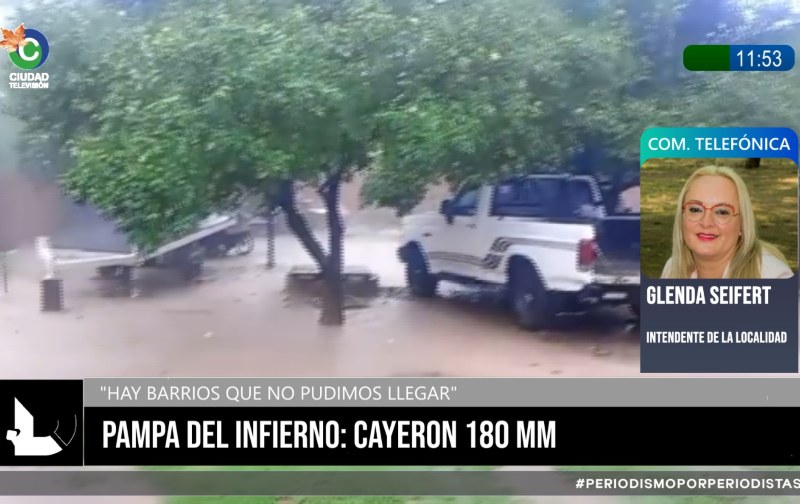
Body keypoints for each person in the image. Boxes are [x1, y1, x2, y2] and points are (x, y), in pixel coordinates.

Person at [660, 165, 793, 279]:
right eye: (695, 209)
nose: (706, 223)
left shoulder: (773, 277)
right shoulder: (672, 270)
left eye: (722, 212)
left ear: (742, 224)